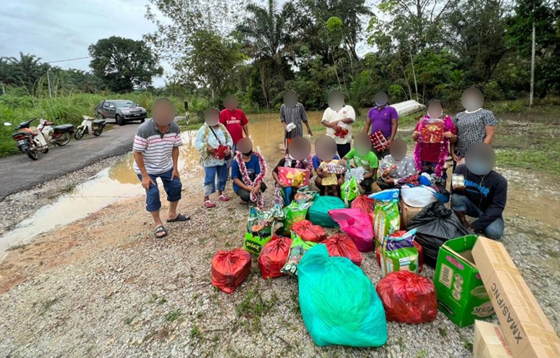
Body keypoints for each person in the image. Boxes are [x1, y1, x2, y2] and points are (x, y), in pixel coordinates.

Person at [133, 98, 189, 239]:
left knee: (176, 186)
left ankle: (172, 214)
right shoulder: (145, 129)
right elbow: (137, 153)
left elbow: (175, 148)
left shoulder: (174, 127)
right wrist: (145, 176)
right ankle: (158, 223)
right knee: (153, 193)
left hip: (166, 166)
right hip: (147, 169)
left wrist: (175, 168)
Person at [451, 142, 506, 240]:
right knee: (456, 198)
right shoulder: (460, 169)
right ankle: (463, 221)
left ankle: (483, 223)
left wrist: (477, 225)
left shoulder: (499, 181)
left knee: (494, 233)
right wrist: (457, 185)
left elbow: (498, 206)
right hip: (470, 205)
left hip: (487, 210)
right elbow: (455, 193)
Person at [195, 108, 233, 208]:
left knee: (223, 177)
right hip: (209, 160)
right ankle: (206, 199)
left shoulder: (222, 127)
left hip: (222, 158)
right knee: (209, 178)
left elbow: (229, 139)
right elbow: (197, 142)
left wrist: (228, 146)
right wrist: (207, 148)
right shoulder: (203, 129)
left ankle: (220, 193)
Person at [452, 87, 498, 164]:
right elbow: (454, 136)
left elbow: (490, 135)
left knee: (475, 175)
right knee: (459, 175)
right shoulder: (459, 116)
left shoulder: (486, 114)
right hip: (459, 154)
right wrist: (452, 153)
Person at [413, 99, 457, 178]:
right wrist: (415, 135)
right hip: (423, 156)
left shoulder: (447, 122)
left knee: (439, 181)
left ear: (442, 109)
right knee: (424, 180)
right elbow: (415, 138)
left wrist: (451, 136)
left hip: (439, 158)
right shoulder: (422, 122)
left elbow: (454, 140)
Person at [272, 137, 313, 205]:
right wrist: (279, 182)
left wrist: (301, 183)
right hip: (285, 185)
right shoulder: (284, 161)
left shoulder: (302, 163)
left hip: (297, 185)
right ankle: (286, 201)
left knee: (300, 195)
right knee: (287, 190)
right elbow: (274, 172)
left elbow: (308, 174)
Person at [231, 138, 267, 208]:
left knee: (263, 186)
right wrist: (247, 188)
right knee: (246, 196)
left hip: (254, 182)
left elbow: (259, 174)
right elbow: (235, 179)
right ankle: (244, 197)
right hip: (242, 185)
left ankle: (254, 193)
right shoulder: (236, 162)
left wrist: (258, 186)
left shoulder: (256, 158)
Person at [321, 90, 355, 158]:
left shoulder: (348, 108)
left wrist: (337, 122)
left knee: (345, 159)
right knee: (328, 158)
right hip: (330, 139)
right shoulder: (328, 109)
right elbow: (324, 121)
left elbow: (351, 119)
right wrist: (332, 126)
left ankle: (346, 168)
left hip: (344, 140)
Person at [365, 90, 399, 158]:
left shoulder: (391, 110)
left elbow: (394, 124)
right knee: (373, 160)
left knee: (388, 160)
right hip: (373, 139)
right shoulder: (372, 110)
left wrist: (391, 139)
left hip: (387, 139)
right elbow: (367, 124)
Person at [220, 94, 249, 169]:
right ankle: (227, 175)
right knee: (228, 159)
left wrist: (247, 137)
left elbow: (245, 125)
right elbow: (220, 128)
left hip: (240, 141)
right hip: (229, 142)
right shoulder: (223, 113)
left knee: (241, 159)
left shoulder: (240, 112)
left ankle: (241, 173)